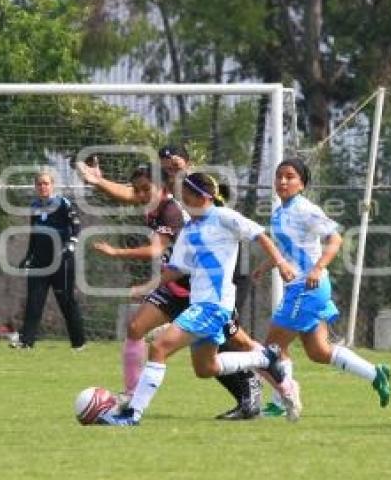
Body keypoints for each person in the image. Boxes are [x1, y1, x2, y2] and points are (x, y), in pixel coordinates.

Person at [97, 172, 298, 426]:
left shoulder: (225, 217)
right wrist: (148, 286)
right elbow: (176, 269)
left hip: (213, 306)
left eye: (186, 196)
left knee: (159, 347)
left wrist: (280, 263)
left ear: (202, 197)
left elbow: (260, 236)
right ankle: (263, 358)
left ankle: (131, 415)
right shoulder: (189, 230)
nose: (182, 202)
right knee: (206, 368)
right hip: (198, 304)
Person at [253, 158, 391, 421]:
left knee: (272, 347)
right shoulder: (279, 212)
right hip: (303, 289)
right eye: (279, 176)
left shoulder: (306, 209)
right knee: (319, 352)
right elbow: (288, 249)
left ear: (302, 183)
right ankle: (376, 374)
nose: (282, 181)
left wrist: (317, 268)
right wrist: (266, 266)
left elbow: (336, 238)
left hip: (307, 287)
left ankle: (281, 400)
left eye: (290, 176)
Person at [13, 170, 86, 350]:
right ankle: (26, 342)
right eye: (39, 184)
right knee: (34, 301)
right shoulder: (35, 206)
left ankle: (79, 343)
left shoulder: (63, 203)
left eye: (46, 183)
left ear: (52, 185)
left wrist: (71, 244)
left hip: (62, 261)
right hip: (39, 261)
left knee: (67, 301)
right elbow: (34, 233)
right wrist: (28, 256)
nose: (42, 187)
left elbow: (76, 226)